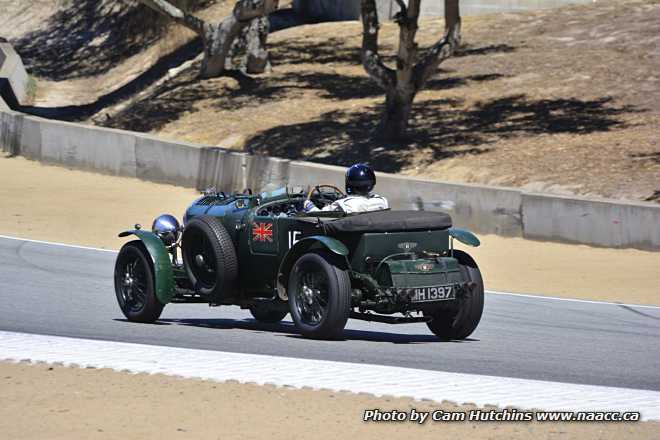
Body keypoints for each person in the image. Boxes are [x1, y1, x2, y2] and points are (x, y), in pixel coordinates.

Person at [303, 163, 389, 213]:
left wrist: (308, 205)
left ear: (349, 184)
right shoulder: (382, 202)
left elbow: (318, 216)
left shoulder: (344, 204)